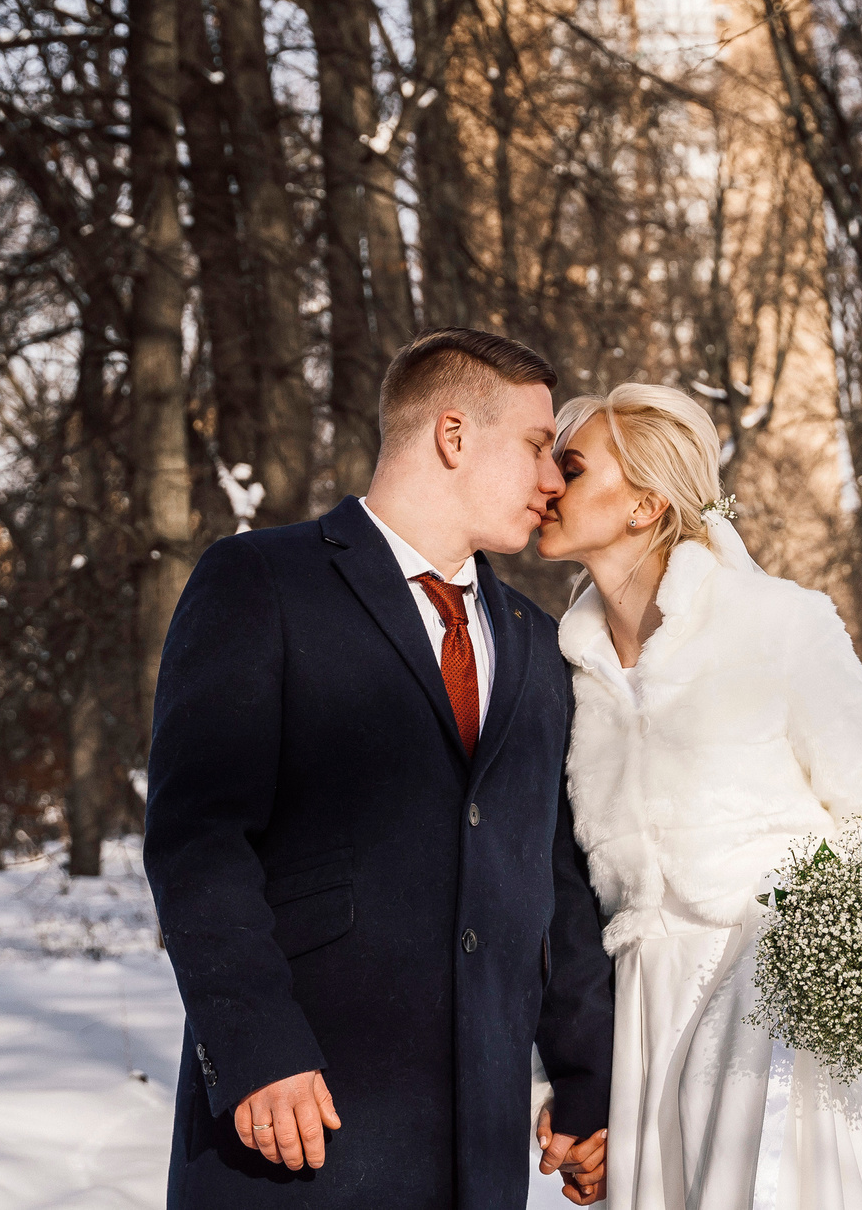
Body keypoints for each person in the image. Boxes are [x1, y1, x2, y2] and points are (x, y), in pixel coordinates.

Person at [145, 328, 616, 1208]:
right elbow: (198, 838)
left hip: (473, 1155)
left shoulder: (538, 645)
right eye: (533, 446)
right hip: (296, 1127)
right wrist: (254, 1047)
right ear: (451, 434)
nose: (554, 481)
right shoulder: (259, 582)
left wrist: (590, 1088)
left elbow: (557, 880)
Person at [538, 382, 862, 1210]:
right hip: (644, 1026)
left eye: (572, 464)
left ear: (644, 504)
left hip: (778, 1024)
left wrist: (803, 960)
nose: (547, 480)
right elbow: (557, 896)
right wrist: (570, 1079)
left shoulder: (780, 625)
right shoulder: (561, 672)